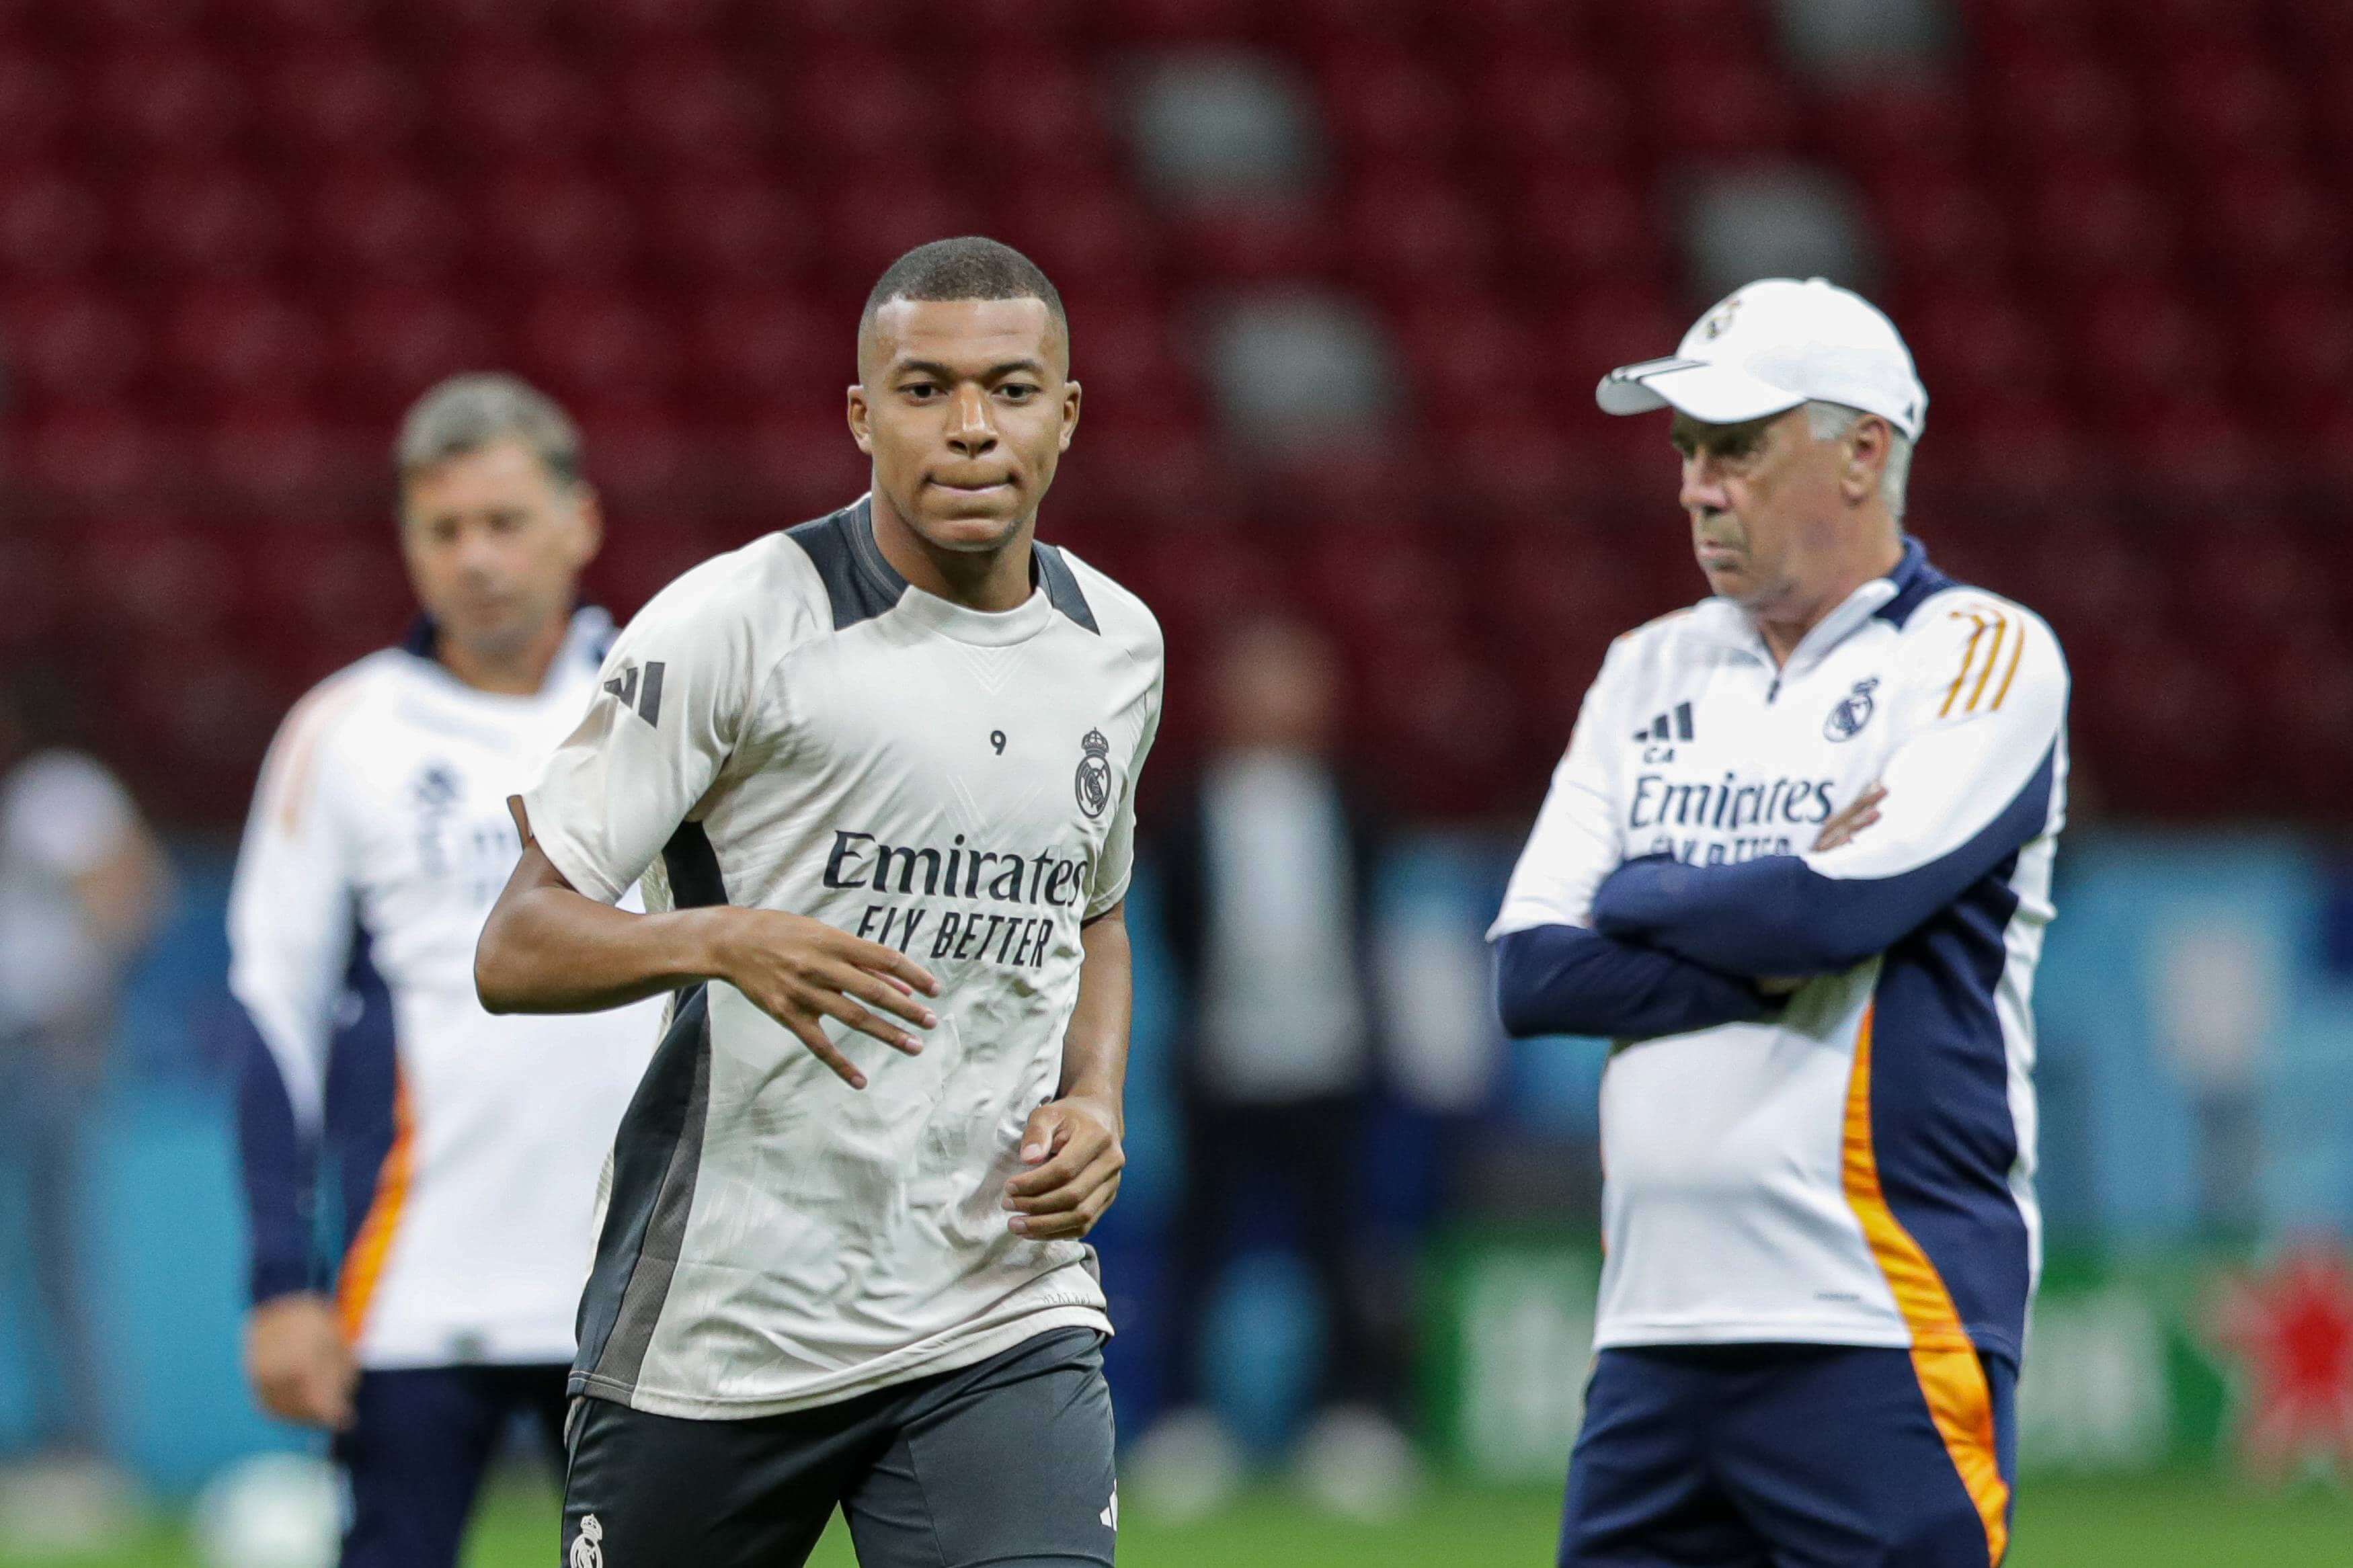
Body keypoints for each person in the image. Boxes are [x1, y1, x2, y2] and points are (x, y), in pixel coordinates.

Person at [475, 237, 1162, 1568]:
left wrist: (1096, 1098)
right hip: (724, 1329)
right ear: (861, 414)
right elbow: (517, 941)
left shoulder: (1116, 646)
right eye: (924, 390)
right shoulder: (734, 623)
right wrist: (717, 939)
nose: (970, 429)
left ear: (1066, 415)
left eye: (1012, 390)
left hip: (992, 1307)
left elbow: (1096, 915)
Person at [1489, 278, 2067, 1568]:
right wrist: (1759, 940)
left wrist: (1647, 893)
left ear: (1864, 450)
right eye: (1687, 452)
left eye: (1737, 447)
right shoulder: (1648, 665)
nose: (1697, 486)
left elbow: (1829, 908)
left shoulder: (1979, 651)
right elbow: (1531, 973)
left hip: (1878, 1318)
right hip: (1650, 1333)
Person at [227, 376, 664, 1568]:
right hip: (414, 1277)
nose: (476, 558)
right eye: (444, 528)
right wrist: (279, 1280)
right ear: (408, 542)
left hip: (646, 1282)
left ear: (581, 520)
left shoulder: (668, 703)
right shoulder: (348, 731)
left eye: (505, 522)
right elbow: (274, 1006)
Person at [1139, 617, 1420, 1520]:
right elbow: (1180, 931)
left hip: (1331, 1062)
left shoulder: (1355, 805)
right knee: (1200, 1251)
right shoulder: (1190, 809)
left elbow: (1373, 926)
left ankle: (1353, 1418)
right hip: (1222, 1065)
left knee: (1342, 1248)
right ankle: (1186, 1424)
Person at [0, 681, 169, 1548]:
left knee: (59, 1249)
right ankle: (52, 1440)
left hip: (47, 1045)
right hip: (18, 1047)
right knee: (31, 1255)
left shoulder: (56, 791)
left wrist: (85, 996)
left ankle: (88, 1451)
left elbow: (130, 882)